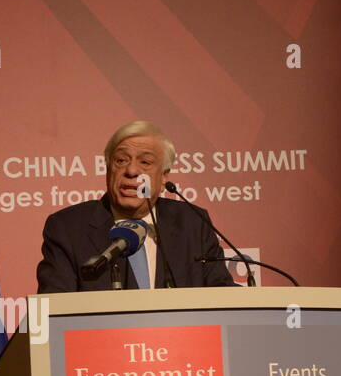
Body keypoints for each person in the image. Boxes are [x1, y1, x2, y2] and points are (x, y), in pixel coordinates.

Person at [36, 121, 238, 292]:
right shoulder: (68, 228)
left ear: (164, 176)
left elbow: (221, 293)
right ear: (108, 169)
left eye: (146, 162)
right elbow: (52, 310)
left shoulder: (192, 223)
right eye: (121, 160)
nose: (131, 170)